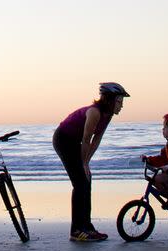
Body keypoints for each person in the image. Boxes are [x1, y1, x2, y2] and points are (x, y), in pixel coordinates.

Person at [53, 82, 129, 242]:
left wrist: (86, 162)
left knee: (86, 180)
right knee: (80, 183)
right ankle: (76, 230)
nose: (121, 105)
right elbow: (86, 139)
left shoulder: (108, 115)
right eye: (119, 101)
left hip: (76, 142)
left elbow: (97, 139)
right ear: (109, 99)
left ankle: (86, 226)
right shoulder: (94, 112)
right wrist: (84, 164)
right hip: (63, 140)